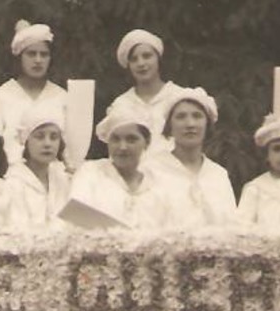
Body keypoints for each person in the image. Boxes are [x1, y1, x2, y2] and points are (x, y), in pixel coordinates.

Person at [66, 106, 174, 229]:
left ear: (147, 142)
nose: (122, 147)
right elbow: (76, 218)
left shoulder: (159, 181)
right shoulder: (91, 172)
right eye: (115, 139)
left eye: (131, 139)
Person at [147, 88, 239, 227]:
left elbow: (232, 227)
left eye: (197, 116)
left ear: (207, 124)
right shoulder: (151, 171)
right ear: (169, 125)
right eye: (181, 117)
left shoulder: (218, 174)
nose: (190, 124)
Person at [0, 20, 67, 163]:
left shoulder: (61, 96)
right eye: (31, 54)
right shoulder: (2, 96)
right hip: (10, 174)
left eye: (44, 54)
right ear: (20, 58)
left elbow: (70, 147)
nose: (38, 60)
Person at [105, 28, 179, 160]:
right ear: (129, 65)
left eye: (147, 56)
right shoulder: (122, 104)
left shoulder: (178, 97)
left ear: (158, 59)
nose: (141, 63)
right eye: (134, 59)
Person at [5, 105, 72, 228]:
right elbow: (18, 229)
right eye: (39, 137)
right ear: (26, 140)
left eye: (53, 137)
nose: (47, 144)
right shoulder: (13, 182)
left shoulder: (63, 178)